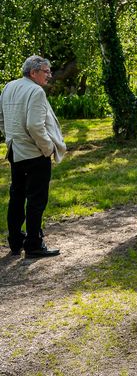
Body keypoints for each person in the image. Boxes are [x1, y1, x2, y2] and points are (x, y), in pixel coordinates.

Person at [0, 56, 66, 257]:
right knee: (36, 200)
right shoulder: (35, 91)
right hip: (35, 153)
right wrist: (47, 149)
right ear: (33, 72)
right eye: (46, 71)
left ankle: (15, 242)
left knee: (17, 197)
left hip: (15, 151)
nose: (50, 75)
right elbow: (35, 126)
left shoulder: (9, 86)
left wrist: (10, 138)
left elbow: (1, 120)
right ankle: (34, 245)